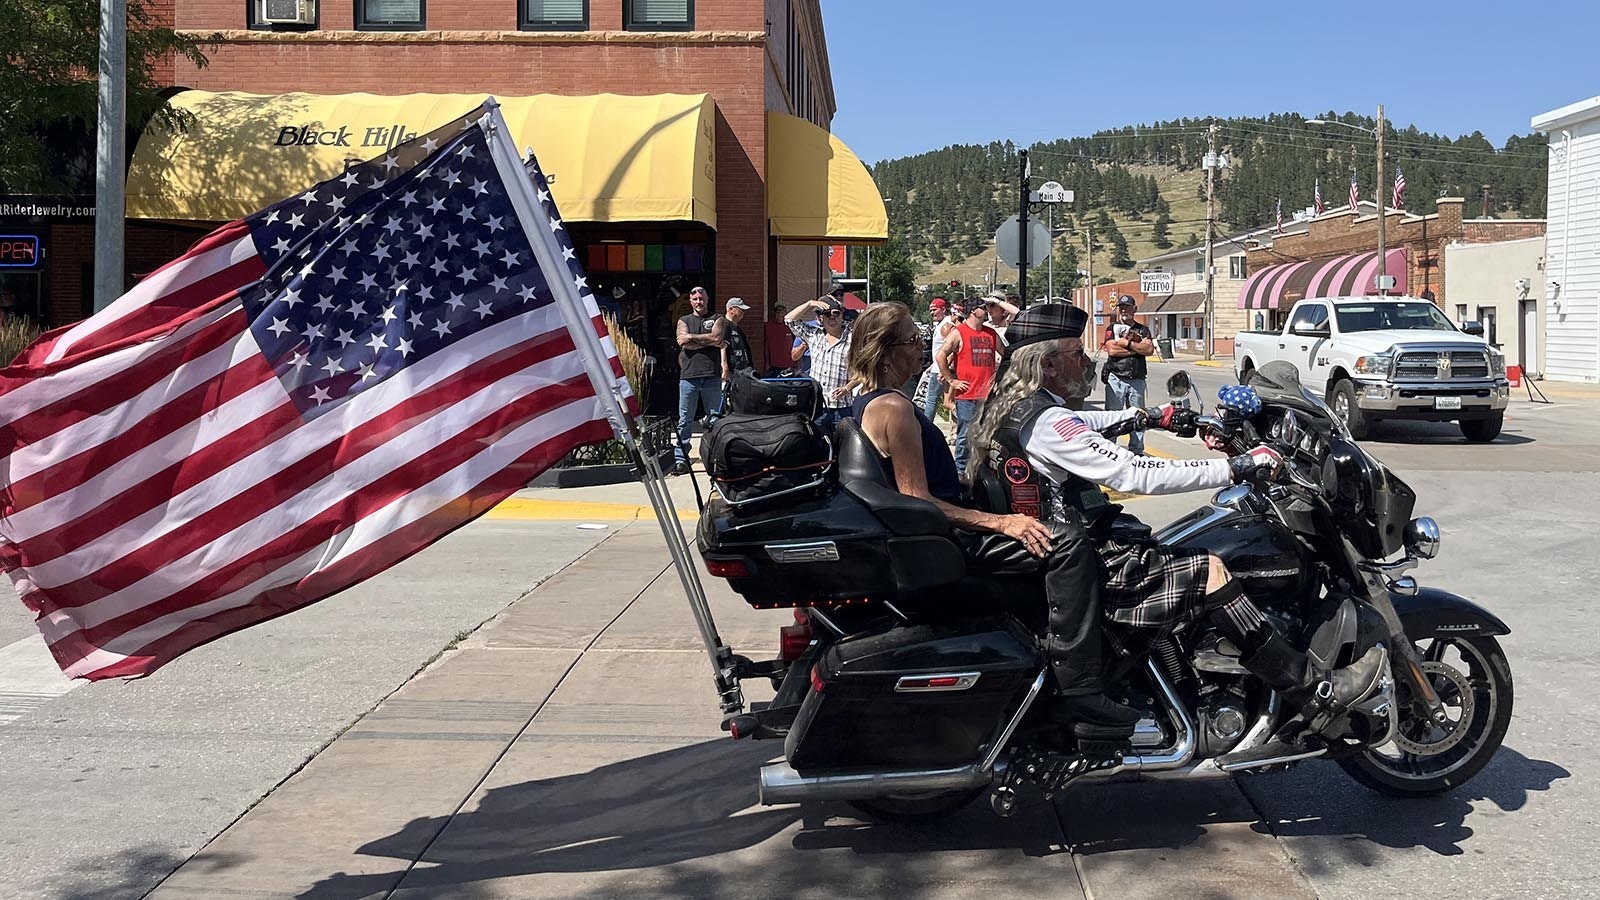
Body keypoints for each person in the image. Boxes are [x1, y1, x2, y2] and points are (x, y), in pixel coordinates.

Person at [970, 303, 1387, 741]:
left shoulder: (1016, 405)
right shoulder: (1049, 420)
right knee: (1211, 571)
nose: (1086, 360)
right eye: (1076, 353)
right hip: (1086, 557)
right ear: (1049, 363)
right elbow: (1134, 472)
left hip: (1056, 546)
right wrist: (1238, 466)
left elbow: (1081, 424)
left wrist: (1151, 416)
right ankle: (1312, 690)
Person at [937, 301, 1002, 473]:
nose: (988, 310)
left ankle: (983, 471)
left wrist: (1001, 379)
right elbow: (941, 355)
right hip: (967, 395)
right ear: (973, 311)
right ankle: (960, 472)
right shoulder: (959, 333)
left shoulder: (991, 333)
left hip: (988, 396)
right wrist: (951, 380)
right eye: (984, 307)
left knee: (988, 435)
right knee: (966, 435)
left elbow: (1007, 355)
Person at [673, 286, 725, 476]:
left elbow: (718, 336)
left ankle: (716, 457)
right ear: (691, 302)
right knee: (684, 420)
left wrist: (693, 338)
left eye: (701, 298)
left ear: (707, 298)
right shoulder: (684, 320)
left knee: (715, 419)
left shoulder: (717, 318)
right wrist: (709, 341)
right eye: (694, 299)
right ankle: (681, 459)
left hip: (712, 375)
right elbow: (682, 341)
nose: (698, 301)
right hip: (688, 377)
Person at [787, 294, 853, 436]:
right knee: (817, 447)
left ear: (842, 316)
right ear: (821, 318)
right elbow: (789, 319)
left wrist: (847, 388)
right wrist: (809, 304)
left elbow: (864, 372)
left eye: (836, 313)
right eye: (827, 314)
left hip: (842, 408)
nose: (832, 317)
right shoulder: (813, 335)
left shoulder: (853, 339)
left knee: (842, 449)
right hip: (818, 406)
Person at [1101, 295, 1155, 454]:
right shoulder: (1112, 328)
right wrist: (1137, 348)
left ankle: (1137, 452)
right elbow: (1112, 350)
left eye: (1127, 307)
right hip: (1115, 378)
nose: (1124, 310)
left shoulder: (1143, 330)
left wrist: (1126, 343)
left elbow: (1149, 350)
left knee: (1138, 418)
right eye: (1121, 307)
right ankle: (1109, 451)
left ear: (1135, 309)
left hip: (1137, 380)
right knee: (1113, 418)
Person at [918, 298, 957, 422]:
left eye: (934, 310)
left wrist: (943, 368)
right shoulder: (943, 324)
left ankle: (927, 428)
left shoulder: (947, 326)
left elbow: (952, 349)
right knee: (949, 402)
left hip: (941, 370)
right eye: (930, 310)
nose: (932, 313)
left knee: (932, 400)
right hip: (939, 367)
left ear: (943, 309)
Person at [720, 296, 754, 383]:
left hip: (742, 370)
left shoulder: (738, 329)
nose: (743, 313)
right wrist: (724, 367)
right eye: (740, 310)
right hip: (731, 371)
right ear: (731, 309)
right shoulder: (724, 324)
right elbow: (722, 346)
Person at [765, 303, 795, 376]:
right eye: (777, 312)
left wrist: (797, 362)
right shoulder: (767, 326)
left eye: (782, 312)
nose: (779, 315)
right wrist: (767, 362)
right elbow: (766, 345)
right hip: (774, 364)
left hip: (789, 364)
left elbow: (796, 344)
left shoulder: (790, 326)